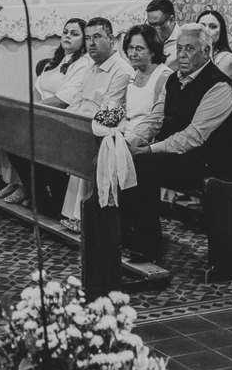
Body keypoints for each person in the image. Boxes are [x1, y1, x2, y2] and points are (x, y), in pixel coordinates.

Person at [122, 24, 232, 262]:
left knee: (142, 164)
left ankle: (148, 245)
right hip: (175, 155)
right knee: (121, 155)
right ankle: (124, 233)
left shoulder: (219, 86)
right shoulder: (174, 79)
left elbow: (193, 136)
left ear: (206, 51)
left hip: (205, 160)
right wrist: (128, 142)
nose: (182, 55)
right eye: (179, 49)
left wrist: (148, 149)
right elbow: (155, 118)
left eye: (189, 49)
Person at [10, 16, 131, 218]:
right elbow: (76, 103)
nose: (91, 43)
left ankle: (56, 206)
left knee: (46, 147)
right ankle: (47, 203)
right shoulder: (92, 68)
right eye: (88, 38)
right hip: (77, 126)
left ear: (111, 39)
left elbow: (108, 115)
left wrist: (70, 129)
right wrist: (63, 124)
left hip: (97, 134)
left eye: (97, 37)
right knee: (23, 145)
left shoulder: (121, 71)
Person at [60, 24, 169, 231]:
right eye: (131, 48)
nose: (133, 53)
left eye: (139, 48)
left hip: (146, 138)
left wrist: (128, 139)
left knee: (101, 152)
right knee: (99, 146)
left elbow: (157, 119)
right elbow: (123, 109)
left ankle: (106, 222)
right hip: (126, 132)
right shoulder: (135, 74)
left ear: (153, 50)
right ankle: (97, 219)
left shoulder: (162, 76)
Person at [0, 18, 90, 205]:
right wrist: (33, 111)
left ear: (84, 40)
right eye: (65, 32)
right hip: (41, 115)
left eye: (74, 34)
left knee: (18, 140)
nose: (68, 36)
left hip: (60, 119)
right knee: (7, 135)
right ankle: (24, 187)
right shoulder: (55, 60)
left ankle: (32, 193)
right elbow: (37, 88)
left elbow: (63, 100)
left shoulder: (83, 64)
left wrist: (34, 111)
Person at [197, 9, 232, 81]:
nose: (206, 30)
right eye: (202, 26)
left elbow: (210, 84)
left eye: (212, 26)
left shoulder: (229, 58)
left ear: (221, 31)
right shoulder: (194, 55)